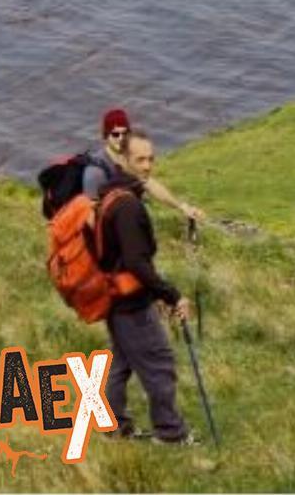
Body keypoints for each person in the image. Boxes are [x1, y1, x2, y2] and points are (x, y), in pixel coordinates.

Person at [97, 132, 195, 444]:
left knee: (122, 361)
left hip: (114, 298)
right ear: (123, 159)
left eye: (151, 158)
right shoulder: (128, 207)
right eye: (140, 159)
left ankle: (113, 427)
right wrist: (171, 294)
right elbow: (137, 263)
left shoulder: (112, 192)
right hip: (130, 301)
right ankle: (170, 433)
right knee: (160, 362)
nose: (148, 165)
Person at [83, 108, 205, 224]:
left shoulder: (127, 160)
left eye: (125, 133)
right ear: (106, 136)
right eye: (115, 134)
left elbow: (149, 183)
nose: (120, 138)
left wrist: (182, 207)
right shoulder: (95, 171)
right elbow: (89, 217)